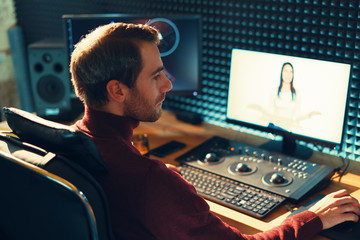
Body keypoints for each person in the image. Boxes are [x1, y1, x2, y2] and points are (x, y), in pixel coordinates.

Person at [70, 22, 360, 239]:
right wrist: (314, 218)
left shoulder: (69, 141)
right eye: (156, 75)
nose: (167, 84)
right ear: (117, 90)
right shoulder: (150, 181)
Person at [249, 62, 320, 131]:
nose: (288, 74)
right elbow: (270, 112)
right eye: (285, 71)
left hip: (287, 129)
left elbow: (298, 116)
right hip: (274, 126)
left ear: (293, 74)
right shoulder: (275, 91)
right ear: (282, 73)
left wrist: (309, 115)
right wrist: (260, 108)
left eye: (290, 72)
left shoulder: (296, 94)